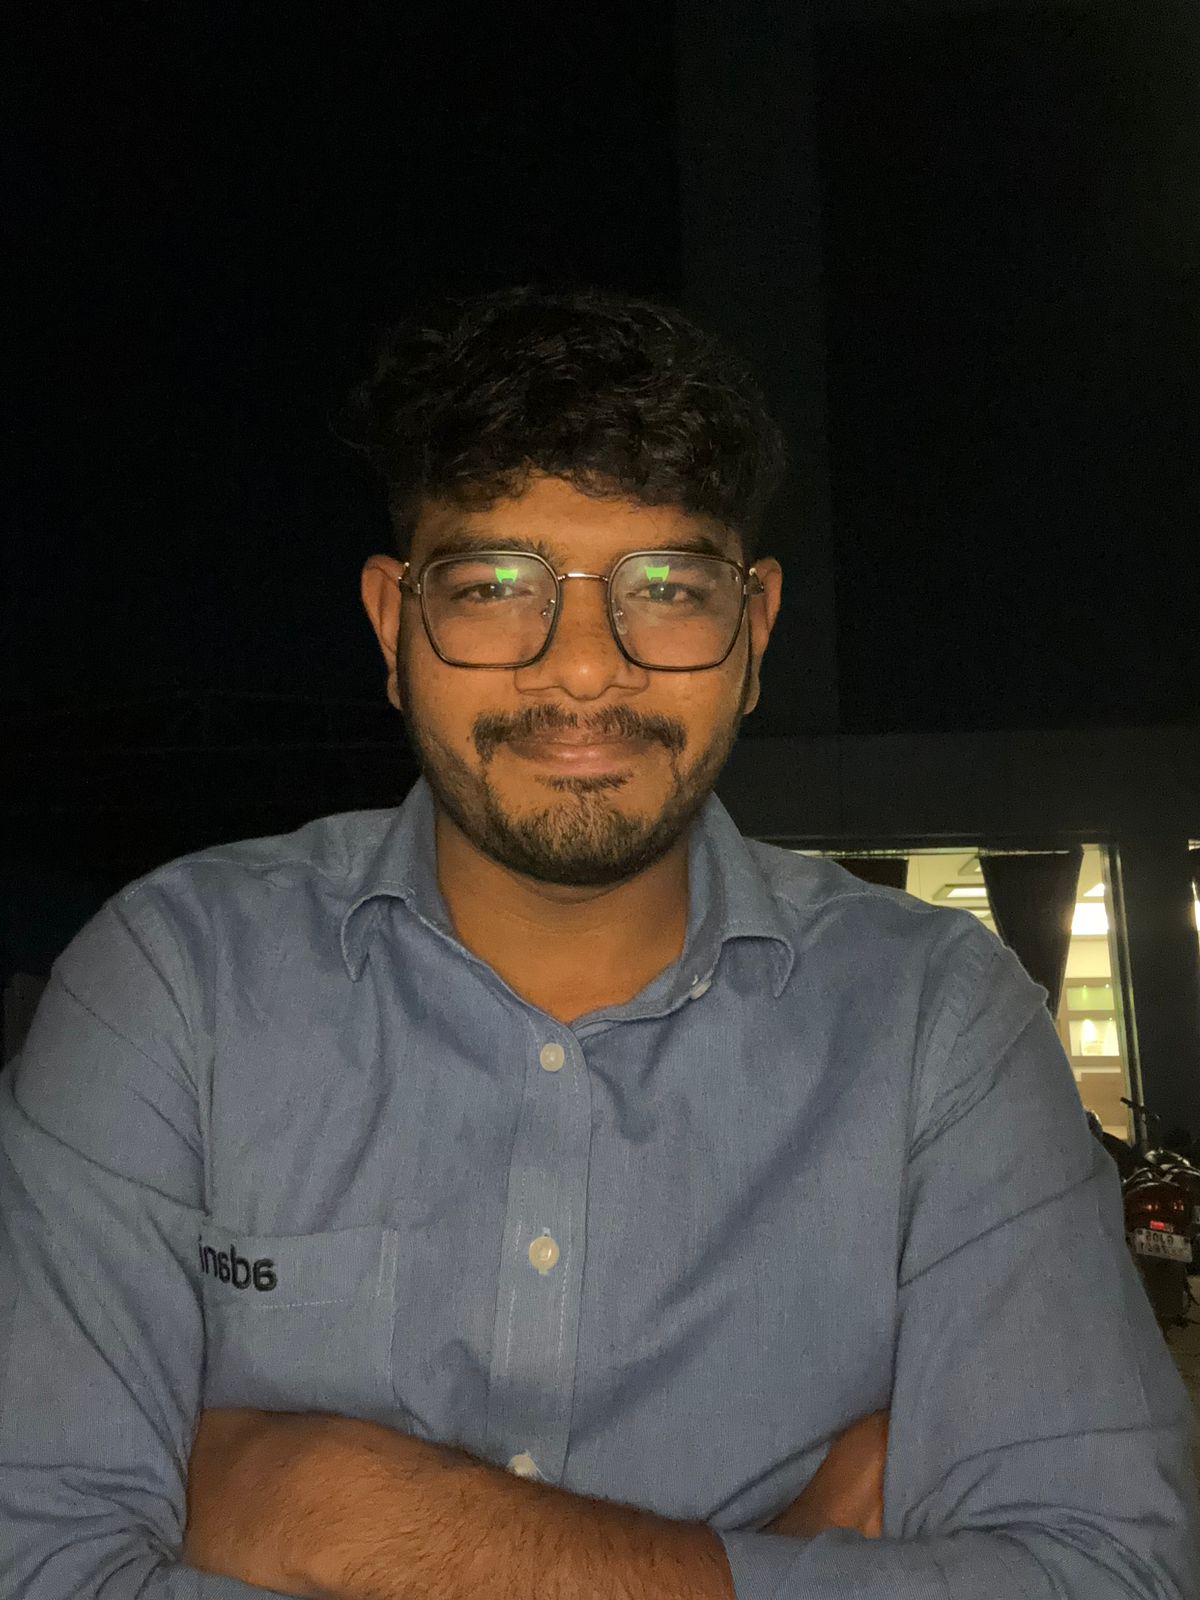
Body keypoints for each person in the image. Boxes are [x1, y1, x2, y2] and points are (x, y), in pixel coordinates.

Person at [0, 286, 1195, 1600]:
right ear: (395, 626)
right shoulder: (173, 987)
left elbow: (1108, 1571)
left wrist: (350, 1511)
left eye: (668, 588)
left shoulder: (939, 1027)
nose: (581, 670)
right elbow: (37, 1559)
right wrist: (773, 1564)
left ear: (754, 636)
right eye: (495, 587)